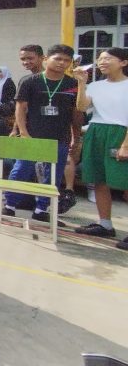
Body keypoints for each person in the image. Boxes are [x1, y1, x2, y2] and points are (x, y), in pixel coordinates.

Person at [2, 44, 80, 222]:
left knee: (53, 176)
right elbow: (20, 108)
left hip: (59, 138)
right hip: (33, 136)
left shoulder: (73, 84)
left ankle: (41, 209)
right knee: (21, 170)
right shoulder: (29, 81)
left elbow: (76, 113)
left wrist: (75, 137)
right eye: (58, 59)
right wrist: (23, 132)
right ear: (46, 59)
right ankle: (9, 206)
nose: (62, 63)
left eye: (66, 60)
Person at [73, 47, 128, 250]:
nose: (102, 62)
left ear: (123, 62)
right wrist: (81, 83)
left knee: (125, 183)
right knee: (98, 180)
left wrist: (125, 145)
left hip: (121, 133)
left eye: (108, 58)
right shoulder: (95, 86)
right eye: (100, 59)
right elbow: (81, 107)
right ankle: (105, 224)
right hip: (96, 132)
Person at [10, 45, 44, 138]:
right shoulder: (26, 80)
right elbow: (21, 108)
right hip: (29, 131)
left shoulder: (53, 79)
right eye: (23, 59)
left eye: (30, 58)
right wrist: (15, 129)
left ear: (42, 58)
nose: (25, 62)